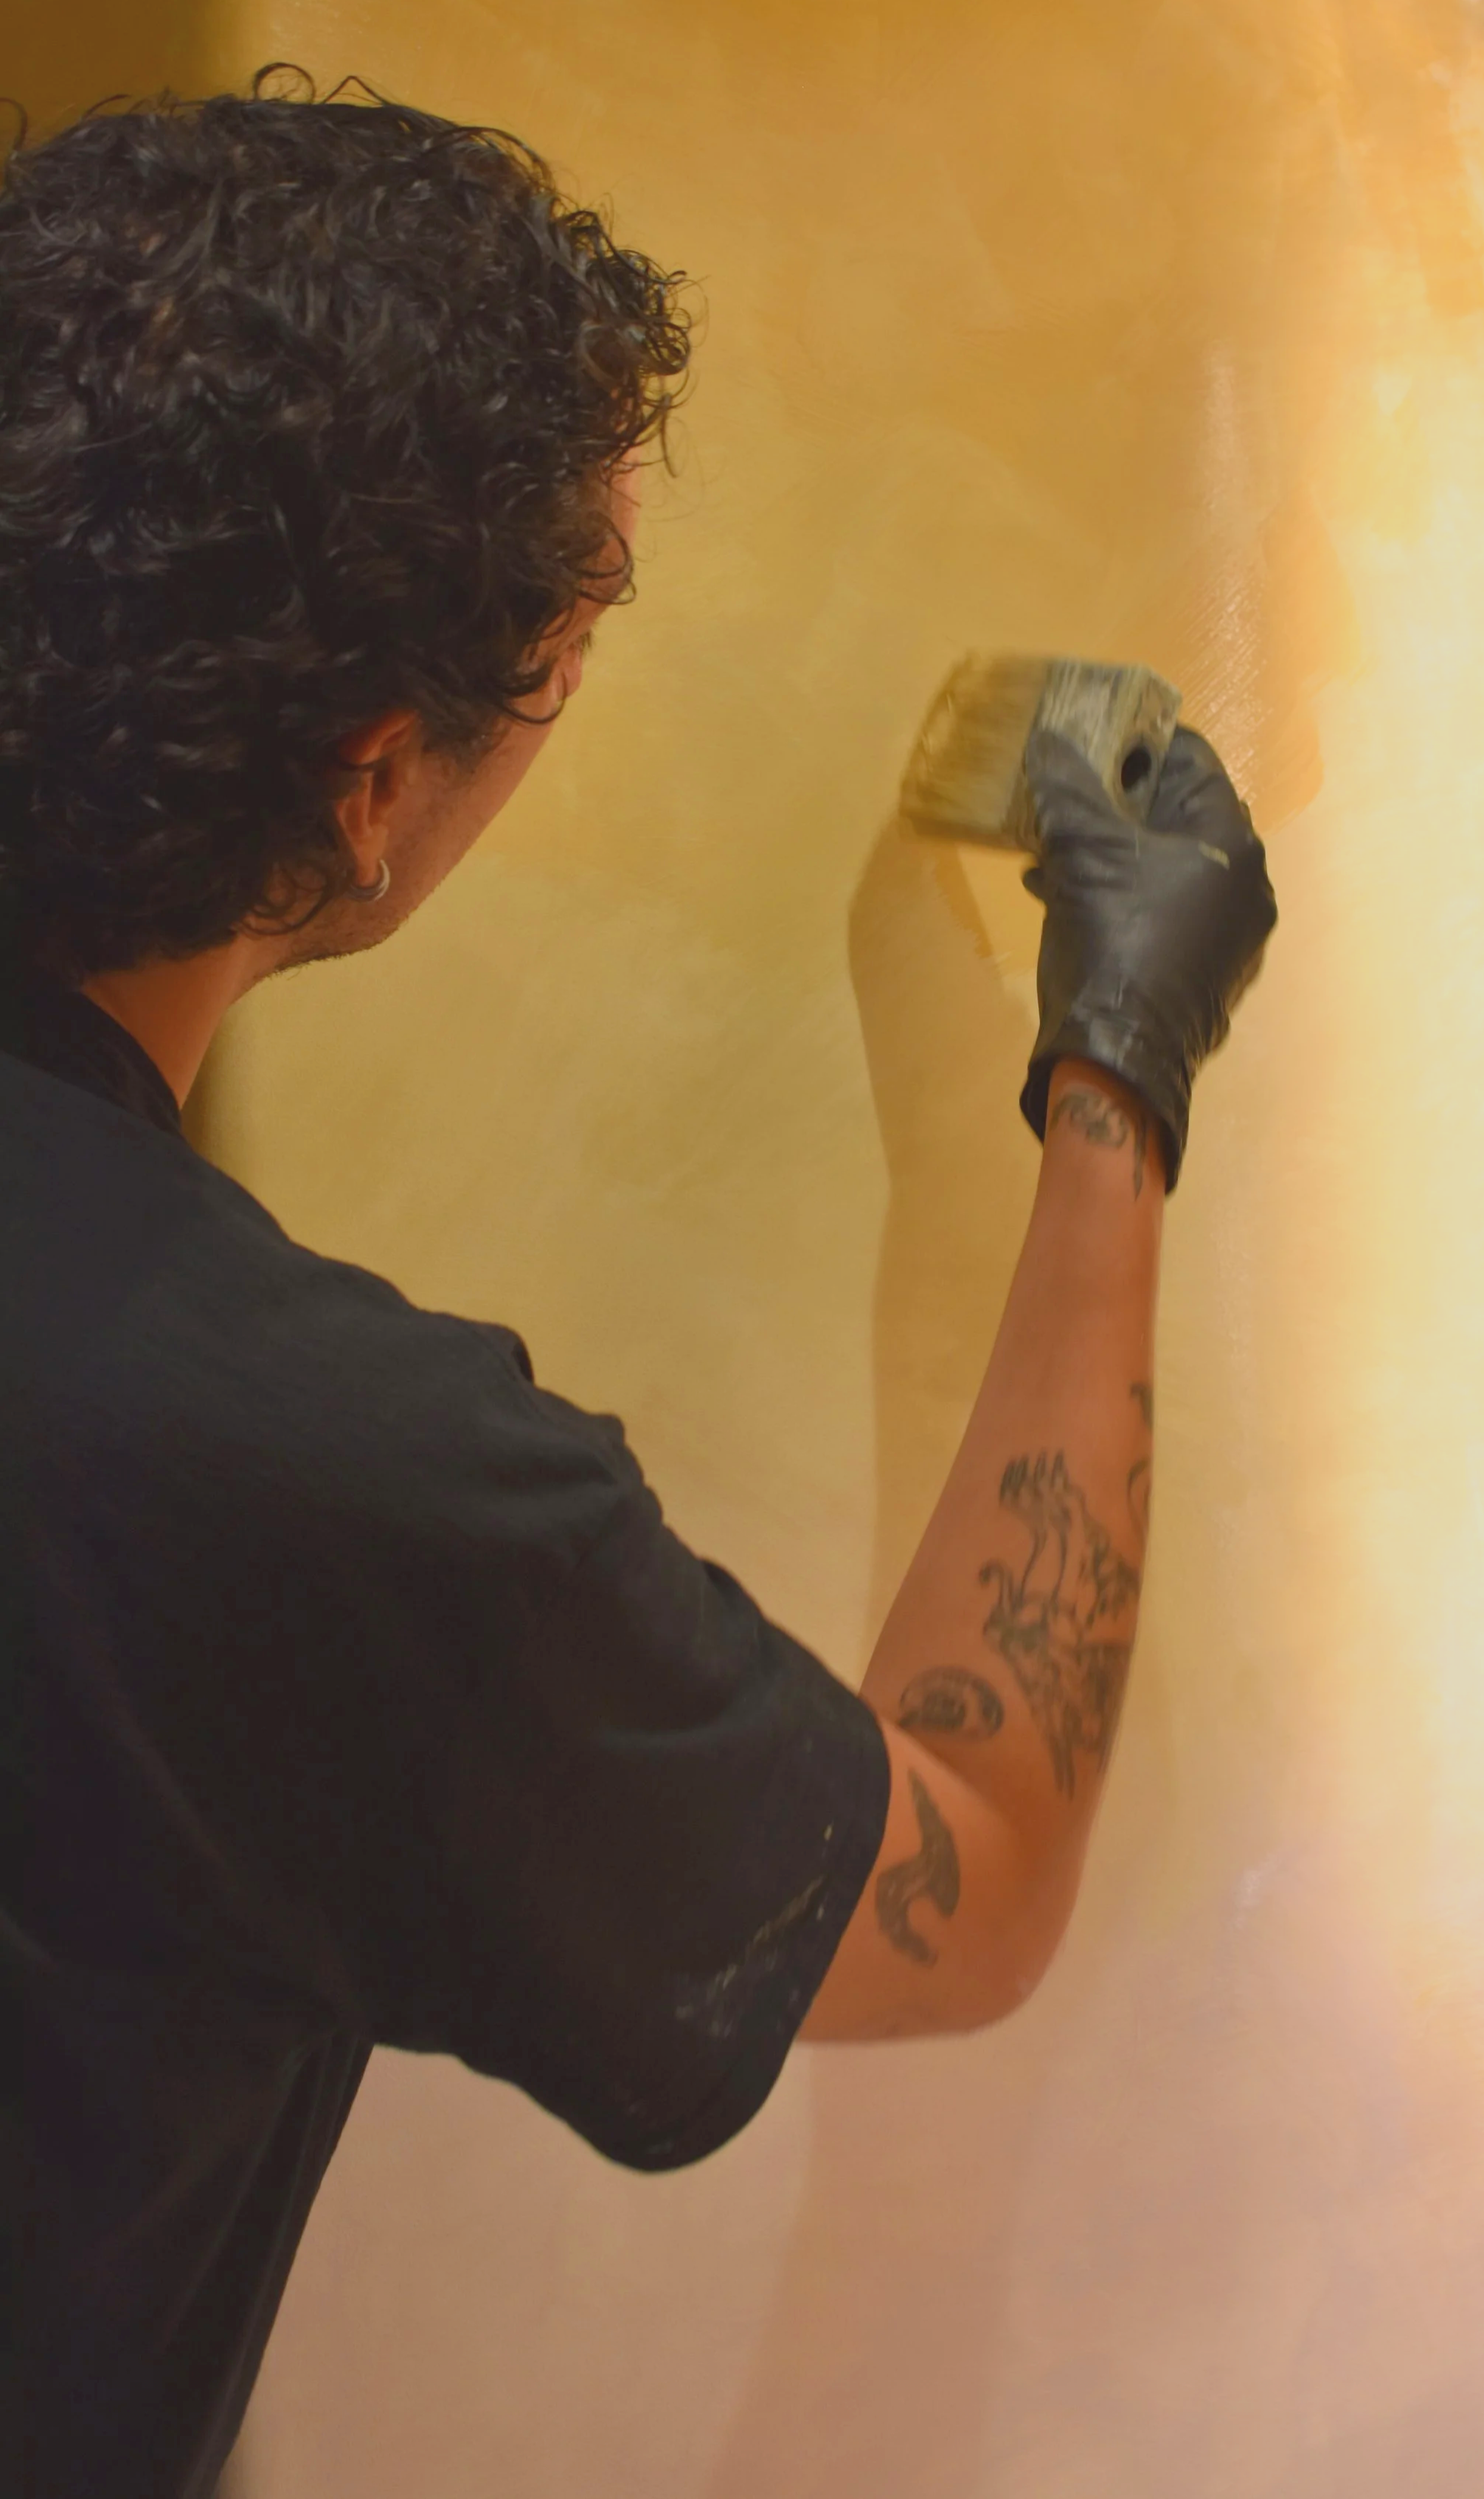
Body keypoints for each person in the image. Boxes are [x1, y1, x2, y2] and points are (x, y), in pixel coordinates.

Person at [0, 76, 1277, 2499]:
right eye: (568, 651)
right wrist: (1118, 1066)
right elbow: (963, 1875)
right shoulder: (315, 1474)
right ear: (371, 787)